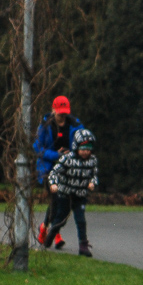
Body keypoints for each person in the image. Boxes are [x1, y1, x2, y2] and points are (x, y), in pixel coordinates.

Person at [33, 95, 85, 249]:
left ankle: (45, 227)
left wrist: (72, 153)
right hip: (48, 169)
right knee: (56, 201)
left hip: (67, 170)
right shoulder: (44, 125)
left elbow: (83, 145)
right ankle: (54, 233)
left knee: (62, 203)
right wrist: (56, 155)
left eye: (65, 112)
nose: (62, 115)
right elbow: (37, 148)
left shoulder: (76, 125)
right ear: (53, 110)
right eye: (60, 112)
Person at [39, 129, 98, 257]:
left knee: (81, 220)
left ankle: (83, 245)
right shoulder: (68, 159)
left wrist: (92, 182)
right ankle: (50, 236)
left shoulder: (92, 161)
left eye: (88, 149)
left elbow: (93, 174)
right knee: (61, 219)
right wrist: (54, 184)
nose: (86, 152)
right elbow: (54, 172)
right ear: (76, 147)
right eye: (83, 148)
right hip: (65, 194)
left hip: (80, 195)